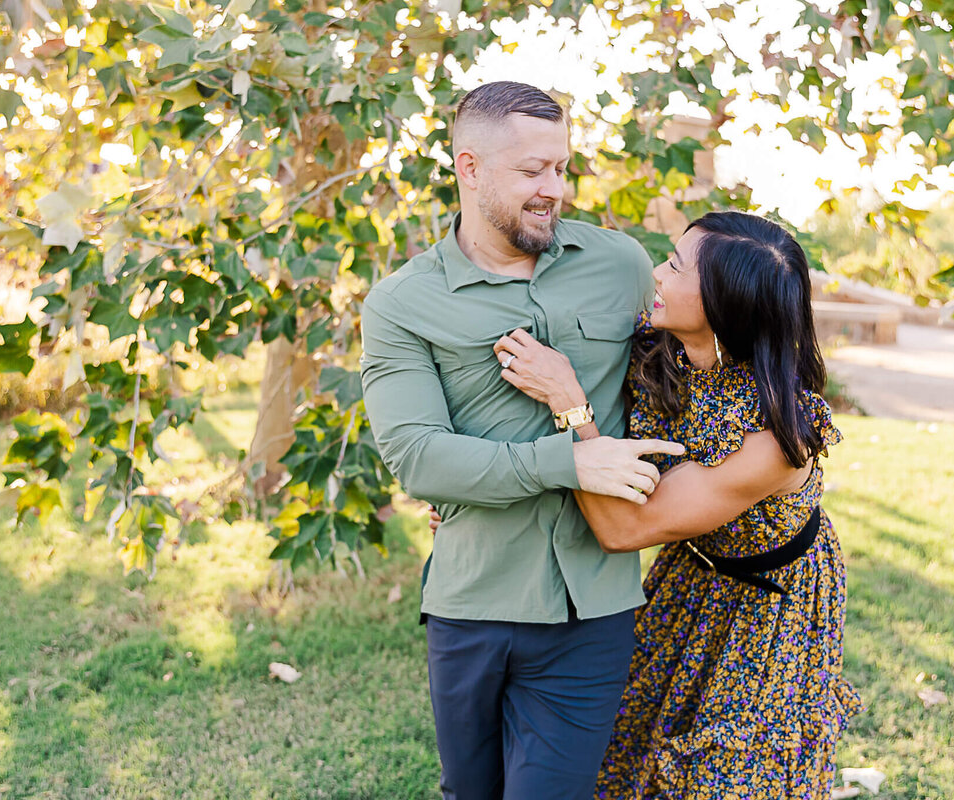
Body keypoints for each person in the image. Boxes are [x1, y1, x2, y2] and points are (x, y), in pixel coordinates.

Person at [359, 81, 684, 799]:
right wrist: (570, 462)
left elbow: (691, 380)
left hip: (591, 611)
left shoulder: (622, 265)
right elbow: (419, 457)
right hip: (471, 602)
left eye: (561, 168)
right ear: (469, 169)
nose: (553, 189)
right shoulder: (400, 303)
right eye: (532, 171)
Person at [474, 211, 862, 798]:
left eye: (676, 266)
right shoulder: (661, 348)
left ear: (723, 302)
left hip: (772, 601)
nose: (655, 272)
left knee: (730, 770)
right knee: (635, 746)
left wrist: (569, 404)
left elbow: (625, 528)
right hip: (688, 575)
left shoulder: (780, 438)